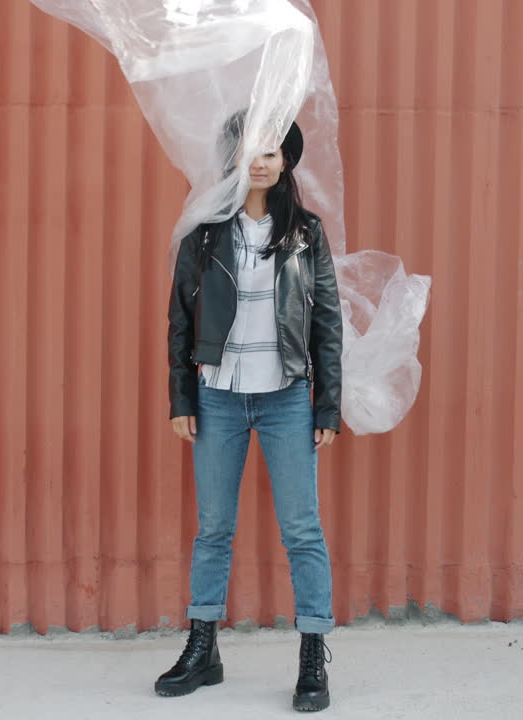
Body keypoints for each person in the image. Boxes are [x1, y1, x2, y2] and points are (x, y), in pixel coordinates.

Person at [158, 113, 343, 713]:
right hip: (218, 398)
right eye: (248, 151)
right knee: (213, 529)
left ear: (286, 160)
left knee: (302, 531)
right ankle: (204, 648)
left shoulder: (306, 234)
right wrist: (181, 398)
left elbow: (326, 325)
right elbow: (180, 322)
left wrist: (328, 405)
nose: (259, 161)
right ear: (233, 159)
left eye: (271, 151)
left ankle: (312, 653)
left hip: (287, 397)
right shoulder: (205, 233)